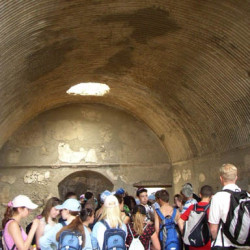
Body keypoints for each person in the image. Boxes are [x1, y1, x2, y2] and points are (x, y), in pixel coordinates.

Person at [209, 163, 242, 249]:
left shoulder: (217, 197)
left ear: (221, 179)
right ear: (236, 178)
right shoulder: (246, 196)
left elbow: (213, 228)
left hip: (224, 244)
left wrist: (215, 239)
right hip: (243, 244)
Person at [178, 185, 213, 250]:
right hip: (207, 244)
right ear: (211, 196)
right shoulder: (211, 208)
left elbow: (180, 221)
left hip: (193, 243)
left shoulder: (192, 207)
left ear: (200, 195)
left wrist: (185, 233)